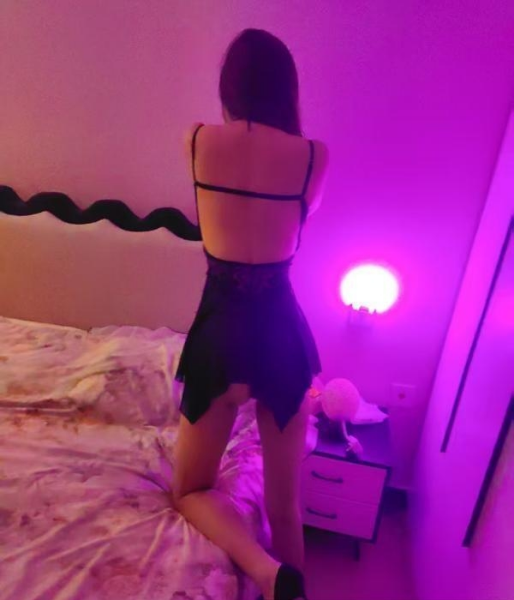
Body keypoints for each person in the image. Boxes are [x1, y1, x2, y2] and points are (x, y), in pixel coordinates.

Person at [172, 28, 329, 600]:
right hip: (280, 336)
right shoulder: (313, 156)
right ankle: (291, 585)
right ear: (287, 88)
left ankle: (263, 572)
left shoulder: (197, 141)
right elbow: (301, 221)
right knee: (285, 507)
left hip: (221, 335)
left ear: (229, 86)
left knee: (190, 491)